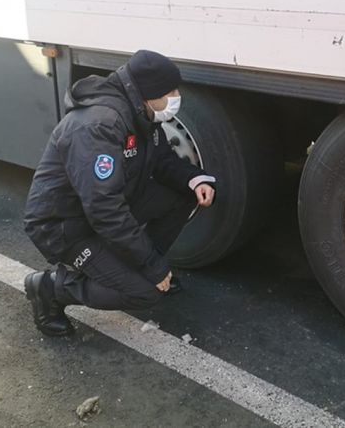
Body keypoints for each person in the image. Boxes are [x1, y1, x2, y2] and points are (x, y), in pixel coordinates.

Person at [22, 50, 216, 336]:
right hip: (65, 226)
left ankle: (137, 267)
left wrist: (195, 179)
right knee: (145, 293)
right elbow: (104, 209)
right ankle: (51, 288)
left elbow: (162, 159)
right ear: (149, 93)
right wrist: (152, 267)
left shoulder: (141, 113)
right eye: (171, 92)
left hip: (104, 208)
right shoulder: (100, 125)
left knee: (181, 195)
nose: (177, 97)